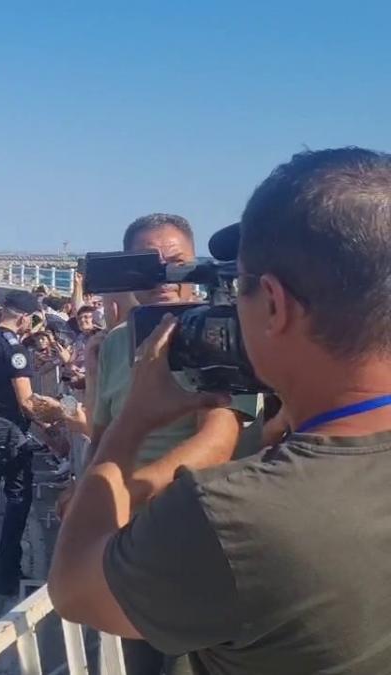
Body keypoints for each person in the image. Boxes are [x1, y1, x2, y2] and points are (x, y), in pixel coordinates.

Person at [51, 147, 391, 675]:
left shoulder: (232, 514)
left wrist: (132, 425)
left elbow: (74, 589)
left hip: (157, 561)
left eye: (240, 290)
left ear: (274, 306)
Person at [0, 290, 64, 595]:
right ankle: (9, 572)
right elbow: (26, 401)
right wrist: (51, 427)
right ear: (23, 317)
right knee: (18, 498)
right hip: (8, 428)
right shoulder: (15, 350)